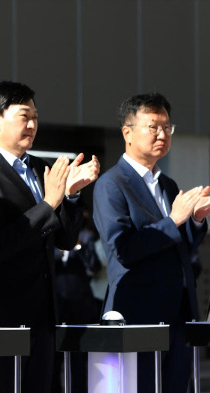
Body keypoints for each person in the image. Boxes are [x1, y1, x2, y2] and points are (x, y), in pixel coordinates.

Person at [0, 81, 100, 393]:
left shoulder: (39, 168)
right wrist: (50, 203)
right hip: (0, 312)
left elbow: (64, 240)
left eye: (36, 117)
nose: (33, 124)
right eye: (24, 116)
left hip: (42, 311)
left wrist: (72, 197)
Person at [93, 92, 210, 393]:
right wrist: (173, 221)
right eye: (153, 126)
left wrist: (195, 220)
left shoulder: (167, 184)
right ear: (127, 133)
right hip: (137, 315)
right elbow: (123, 250)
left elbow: (179, 247)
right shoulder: (112, 184)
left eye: (167, 127)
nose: (162, 134)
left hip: (178, 314)